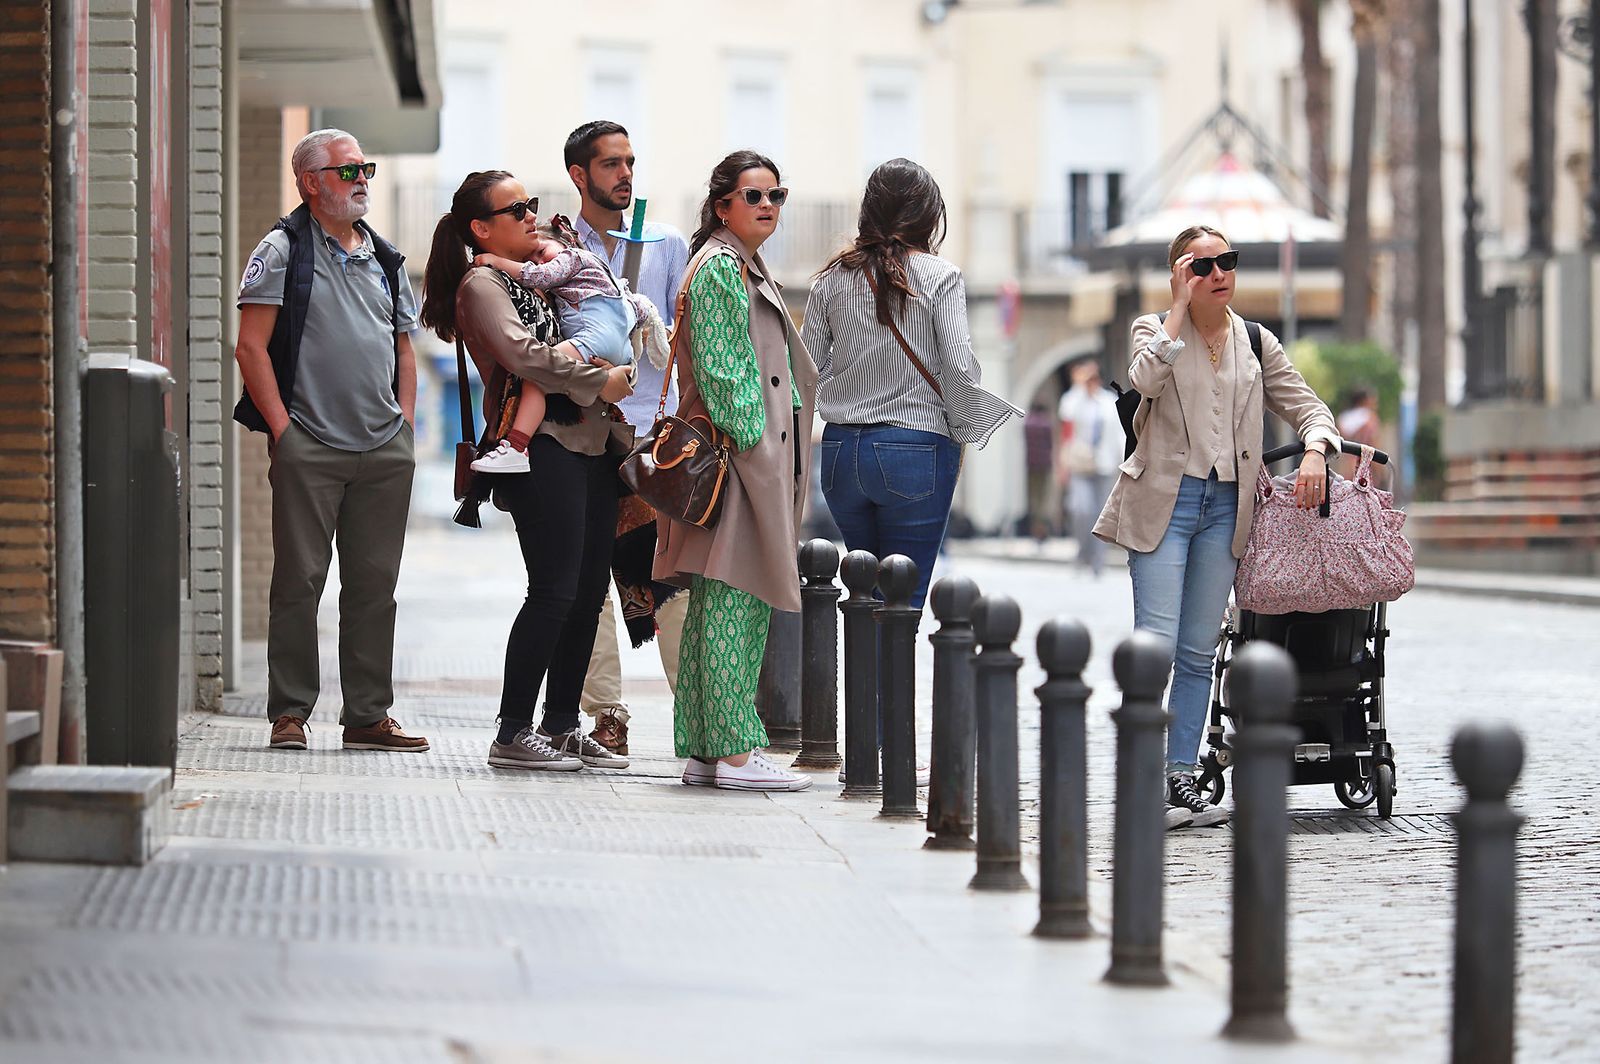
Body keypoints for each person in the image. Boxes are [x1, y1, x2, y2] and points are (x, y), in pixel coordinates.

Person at [1093, 224, 1341, 829]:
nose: (1219, 274)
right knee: (1155, 644)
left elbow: (1309, 407)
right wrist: (1177, 308)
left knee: (1200, 650)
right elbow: (1146, 380)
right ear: (1180, 273)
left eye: (1227, 261)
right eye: (1202, 266)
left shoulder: (1255, 341)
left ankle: (1180, 775)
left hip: (1227, 510)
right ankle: (1143, 775)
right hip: (1164, 505)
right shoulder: (1153, 330)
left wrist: (1315, 449)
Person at [419, 170, 635, 772]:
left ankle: (562, 724)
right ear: (481, 228)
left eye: (532, 204)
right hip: (538, 449)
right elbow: (523, 357)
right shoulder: (482, 285)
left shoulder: (542, 277)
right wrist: (601, 379)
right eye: (517, 209)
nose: (531, 215)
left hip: (592, 443)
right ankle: (513, 730)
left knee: (589, 593)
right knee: (554, 591)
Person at [234, 128, 428, 754]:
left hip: (382, 448)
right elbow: (250, 346)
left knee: (374, 587)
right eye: (348, 171)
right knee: (299, 582)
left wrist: (405, 423)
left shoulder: (387, 258)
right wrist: (284, 432)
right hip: (309, 444)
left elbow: (405, 347)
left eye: (365, 168)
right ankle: (290, 713)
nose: (362, 179)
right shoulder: (282, 249)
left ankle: (368, 716)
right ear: (311, 182)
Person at [654, 150, 819, 792]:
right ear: (722, 203)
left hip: (736, 459)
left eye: (778, 195)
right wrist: (762, 450)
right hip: (741, 460)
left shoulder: (736, 263)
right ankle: (734, 751)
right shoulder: (723, 267)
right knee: (736, 598)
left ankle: (704, 748)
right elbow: (726, 375)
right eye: (755, 196)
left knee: (717, 599)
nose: (769, 206)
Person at [801, 157, 1020, 610]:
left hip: (841, 454)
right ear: (928, 214)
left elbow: (804, 371)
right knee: (903, 600)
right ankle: (886, 684)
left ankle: (866, 683)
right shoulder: (941, 276)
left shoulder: (830, 280)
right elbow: (959, 371)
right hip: (915, 448)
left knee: (865, 596)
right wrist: (961, 435)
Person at [565, 121, 693, 758]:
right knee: (587, 580)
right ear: (578, 175)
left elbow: (680, 338)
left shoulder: (664, 241)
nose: (625, 174)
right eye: (611, 164)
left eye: (630, 162)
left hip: (653, 437)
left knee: (668, 575)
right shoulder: (555, 247)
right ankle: (605, 715)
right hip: (588, 433)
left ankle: (695, 711)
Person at [469, 216, 666, 474]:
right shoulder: (587, 282)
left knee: (536, 376)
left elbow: (538, 276)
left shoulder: (574, 259)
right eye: (533, 260)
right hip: (615, 350)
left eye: (542, 251)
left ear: (565, 243)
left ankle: (517, 446)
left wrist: (497, 262)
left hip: (596, 340)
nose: (540, 262)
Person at [1057, 360, 1122, 576]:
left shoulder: (1108, 402)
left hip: (1104, 464)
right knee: (1080, 509)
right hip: (1080, 464)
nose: (1090, 382)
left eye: (1093, 378)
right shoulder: (1074, 400)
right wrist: (1078, 385)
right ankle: (1082, 552)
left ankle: (1097, 561)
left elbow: (1118, 435)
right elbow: (1066, 416)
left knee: (1101, 515)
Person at [1337, 385, 1385, 485]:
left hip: (1346, 468)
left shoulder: (1343, 418)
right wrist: (1380, 470)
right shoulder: (1369, 418)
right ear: (1364, 400)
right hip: (1365, 467)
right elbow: (1373, 443)